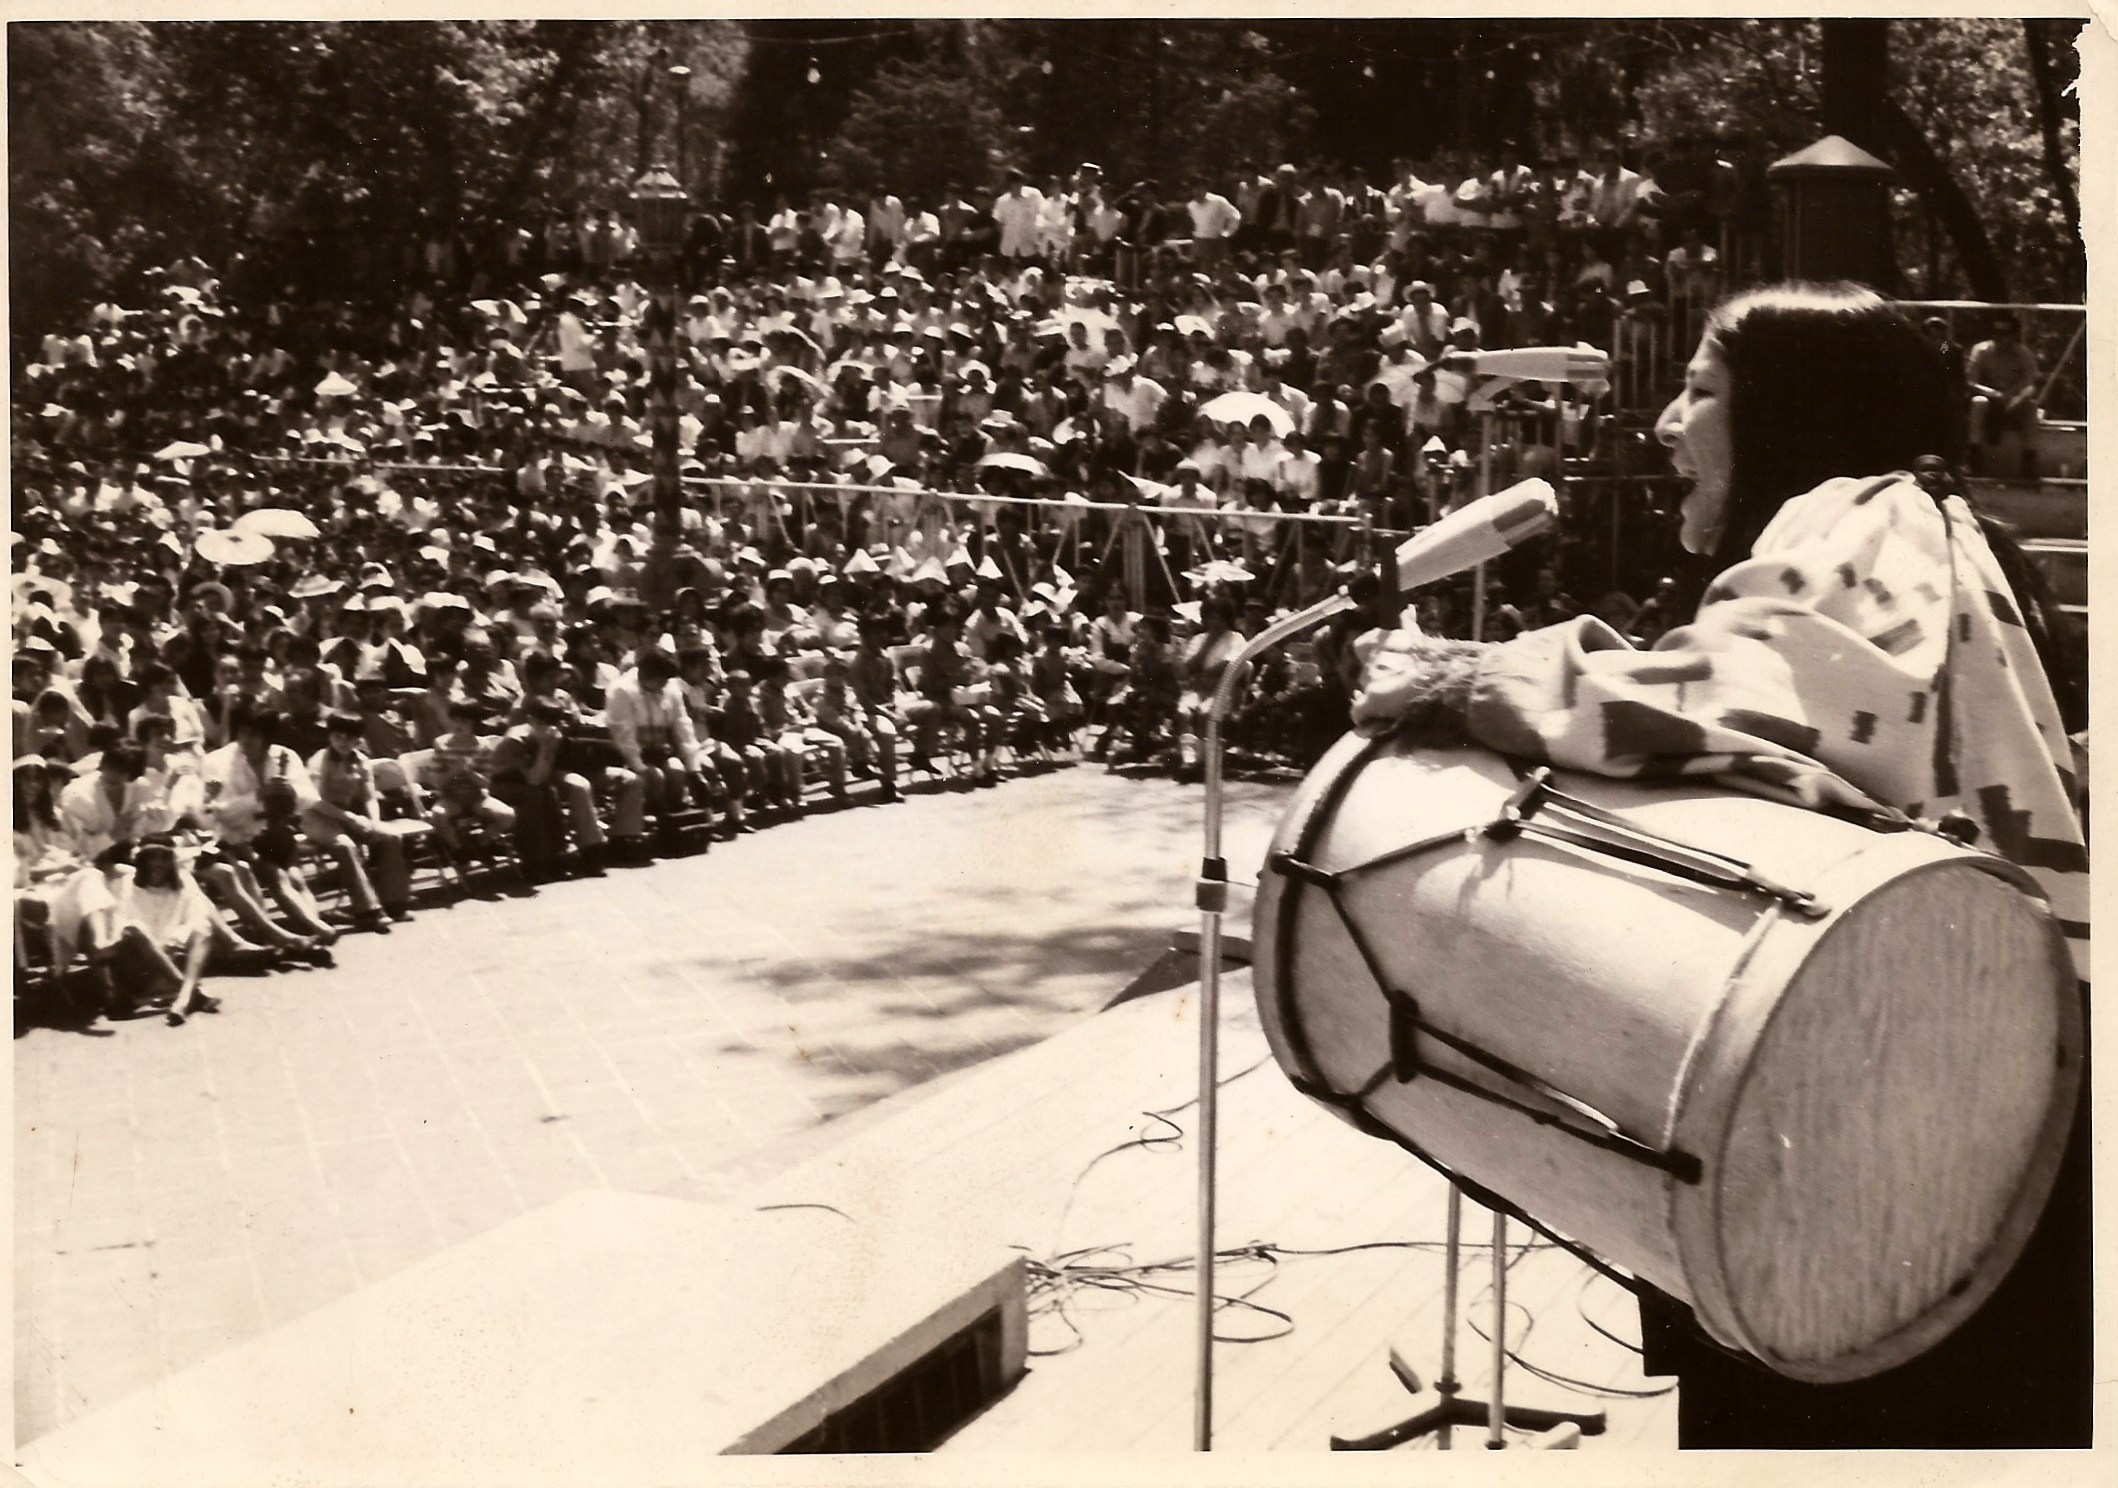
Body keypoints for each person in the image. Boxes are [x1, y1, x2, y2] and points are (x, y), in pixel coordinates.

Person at [1346, 281, 2087, 1449]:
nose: (1663, 424)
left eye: (1698, 391)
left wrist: (1458, 682)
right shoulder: (1944, 535)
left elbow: (1731, 704)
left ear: (1796, 411)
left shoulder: (1862, 523)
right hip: (1980, 1122)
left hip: (1901, 1172)